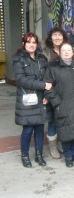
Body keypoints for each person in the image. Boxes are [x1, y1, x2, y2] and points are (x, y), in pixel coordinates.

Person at [44, 42, 74, 167]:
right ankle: (68, 156)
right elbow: (48, 87)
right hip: (62, 105)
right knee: (66, 132)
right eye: (63, 50)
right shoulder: (53, 68)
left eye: (68, 50)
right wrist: (56, 103)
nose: (66, 52)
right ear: (60, 53)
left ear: (72, 52)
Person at [13, 32, 51, 168]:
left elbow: (48, 77)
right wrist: (42, 85)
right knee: (28, 129)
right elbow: (21, 80)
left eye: (34, 42)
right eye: (28, 42)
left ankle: (39, 154)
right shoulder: (19, 59)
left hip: (41, 98)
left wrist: (47, 95)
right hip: (27, 99)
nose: (31, 45)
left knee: (40, 129)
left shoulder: (42, 58)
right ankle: (24, 155)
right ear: (24, 44)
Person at [43, 27, 69, 159]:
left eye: (60, 35)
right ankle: (52, 146)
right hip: (52, 92)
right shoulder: (45, 53)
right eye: (55, 35)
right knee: (53, 119)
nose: (58, 37)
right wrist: (46, 94)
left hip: (66, 92)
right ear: (51, 38)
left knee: (63, 119)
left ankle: (60, 142)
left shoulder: (68, 51)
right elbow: (42, 75)